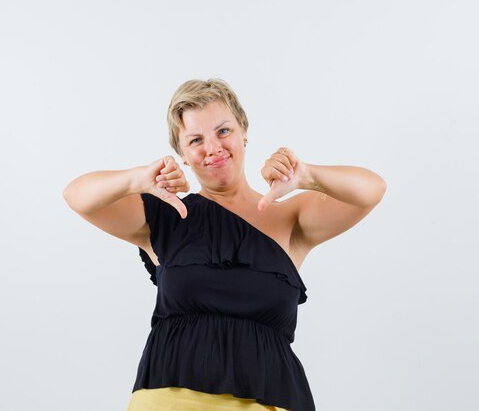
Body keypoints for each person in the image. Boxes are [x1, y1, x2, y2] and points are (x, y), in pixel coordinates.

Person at [62, 78, 387, 411]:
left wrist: (306, 175)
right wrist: (135, 179)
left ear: (244, 131)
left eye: (223, 131)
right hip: (169, 400)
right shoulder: (167, 216)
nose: (213, 148)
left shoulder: (290, 218)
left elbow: (371, 190)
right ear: (183, 155)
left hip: (270, 399)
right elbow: (77, 196)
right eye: (195, 139)